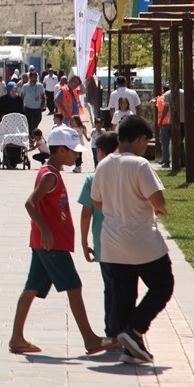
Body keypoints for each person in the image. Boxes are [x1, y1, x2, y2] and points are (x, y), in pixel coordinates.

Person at [8, 127, 116, 357]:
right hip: (52, 244)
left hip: (45, 243)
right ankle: (90, 339)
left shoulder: (51, 172)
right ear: (60, 150)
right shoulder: (50, 176)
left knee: (31, 288)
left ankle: (17, 338)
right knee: (74, 287)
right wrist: (45, 230)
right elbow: (30, 203)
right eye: (73, 151)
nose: (77, 156)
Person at [90, 115, 175, 366]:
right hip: (141, 241)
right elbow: (159, 201)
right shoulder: (140, 165)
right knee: (163, 285)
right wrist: (153, 207)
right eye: (146, 142)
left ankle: (131, 348)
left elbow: (96, 201)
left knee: (124, 295)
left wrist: (117, 206)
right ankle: (136, 329)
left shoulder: (103, 165)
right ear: (139, 139)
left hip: (112, 242)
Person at [78, 131, 121, 339]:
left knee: (110, 288)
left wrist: (84, 241)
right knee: (126, 287)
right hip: (128, 240)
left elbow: (86, 214)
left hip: (104, 243)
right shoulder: (128, 174)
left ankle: (112, 331)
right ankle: (126, 329)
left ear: (100, 153)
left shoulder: (93, 178)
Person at [155, 85, 172, 167]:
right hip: (172, 122)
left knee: (165, 143)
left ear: (163, 91)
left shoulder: (160, 98)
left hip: (164, 123)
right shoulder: (173, 97)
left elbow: (158, 105)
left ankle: (166, 161)